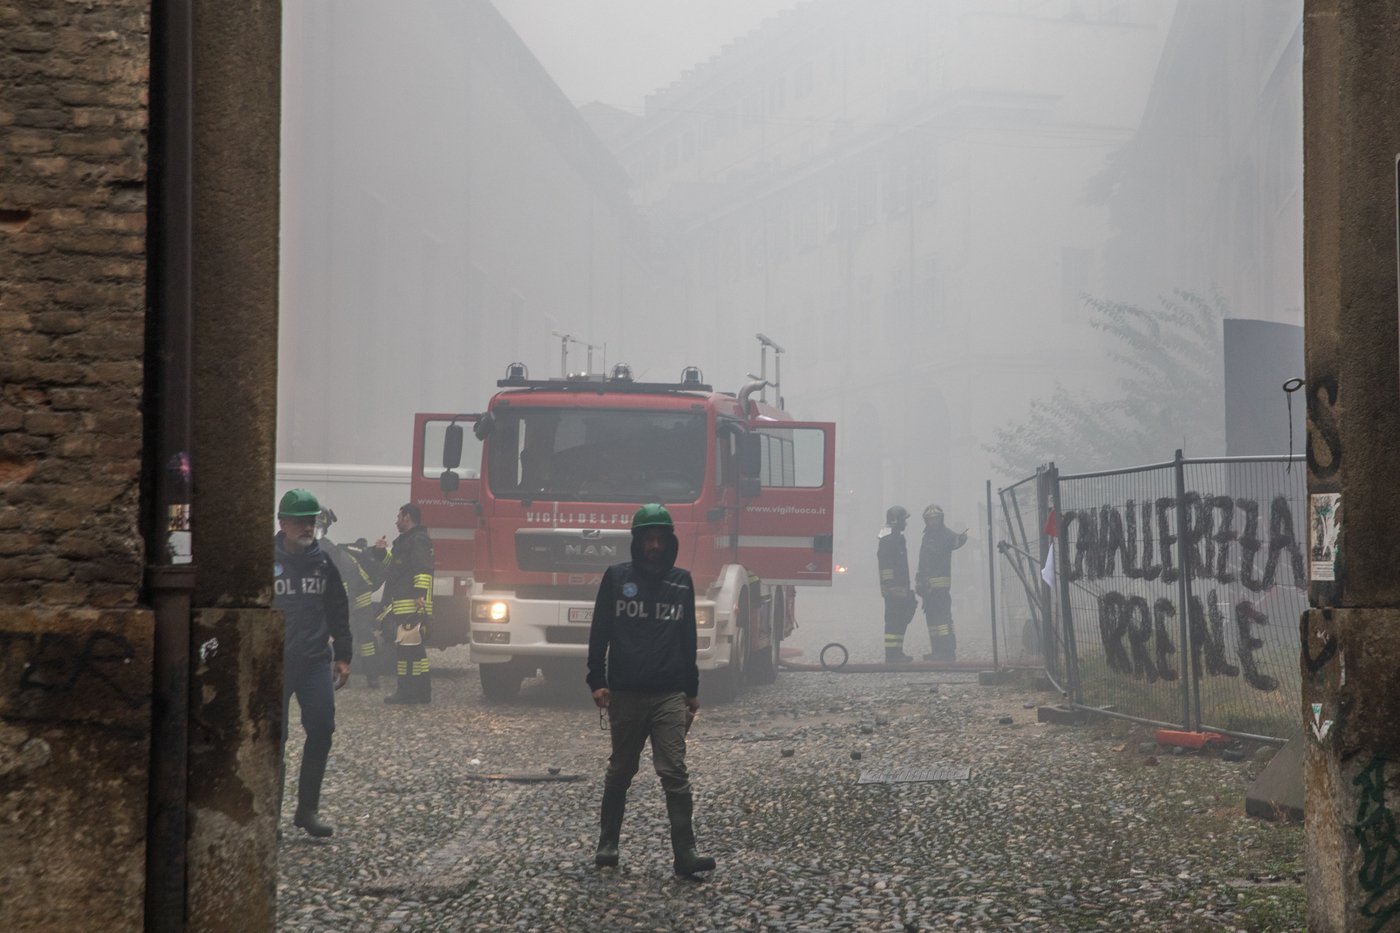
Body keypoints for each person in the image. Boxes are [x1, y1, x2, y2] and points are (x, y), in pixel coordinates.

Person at [586, 504, 715, 877]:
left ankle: (685, 853)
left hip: (669, 694)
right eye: (648, 539)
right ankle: (607, 844)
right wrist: (598, 679)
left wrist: (691, 690)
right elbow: (600, 632)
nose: (654, 546)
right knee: (621, 770)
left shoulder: (682, 582)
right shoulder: (615, 578)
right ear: (637, 542)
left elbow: (687, 639)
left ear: (670, 542)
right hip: (625, 693)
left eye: (660, 539)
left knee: (674, 771)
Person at [274, 488, 352, 838]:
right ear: (283, 523)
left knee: (322, 728)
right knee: (273, 738)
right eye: (300, 522)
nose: (307, 528)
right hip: (273, 664)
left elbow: (338, 609)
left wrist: (345, 656)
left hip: (315, 662)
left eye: (311, 522)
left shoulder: (324, 565)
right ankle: (268, 814)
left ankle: (307, 811)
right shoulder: (264, 562)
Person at [317, 509, 389, 688]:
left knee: (359, 633)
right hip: (345, 589)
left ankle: (369, 677)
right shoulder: (317, 549)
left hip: (358, 590)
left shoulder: (333, 556)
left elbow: (343, 598)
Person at [373, 503, 435, 704]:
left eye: (399, 517)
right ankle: (420, 692)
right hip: (404, 604)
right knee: (413, 652)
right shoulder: (405, 541)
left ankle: (407, 692)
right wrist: (382, 553)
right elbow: (396, 568)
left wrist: (419, 594)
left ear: (407, 517)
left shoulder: (418, 540)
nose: (396, 521)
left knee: (408, 652)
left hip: (411, 606)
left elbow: (423, 568)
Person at [915, 504, 968, 662]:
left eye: (936, 518)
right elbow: (922, 561)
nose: (934, 521)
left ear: (941, 519)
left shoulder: (946, 534)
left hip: (940, 588)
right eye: (931, 519)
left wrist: (961, 539)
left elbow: (955, 542)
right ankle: (936, 650)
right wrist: (918, 580)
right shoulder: (927, 536)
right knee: (932, 621)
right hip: (927, 588)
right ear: (926, 520)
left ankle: (947, 651)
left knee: (943, 620)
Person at [877, 506, 918, 663]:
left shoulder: (897, 539)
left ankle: (897, 653)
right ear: (896, 520)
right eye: (903, 521)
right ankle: (892, 655)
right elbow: (886, 563)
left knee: (900, 621)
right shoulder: (888, 540)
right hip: (893, 590)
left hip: (900, 589)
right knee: (894, 623)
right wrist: (889, 584)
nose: (905, 524)